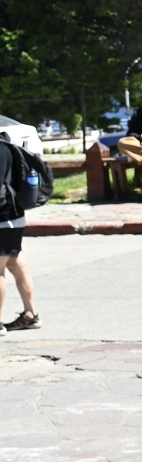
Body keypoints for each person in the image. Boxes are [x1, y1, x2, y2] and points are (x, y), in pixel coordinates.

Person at [0, 134, 39, 335]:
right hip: (15, 215)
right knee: (15, 262)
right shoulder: (8, 144)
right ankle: (30, 315)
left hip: (2, 216)